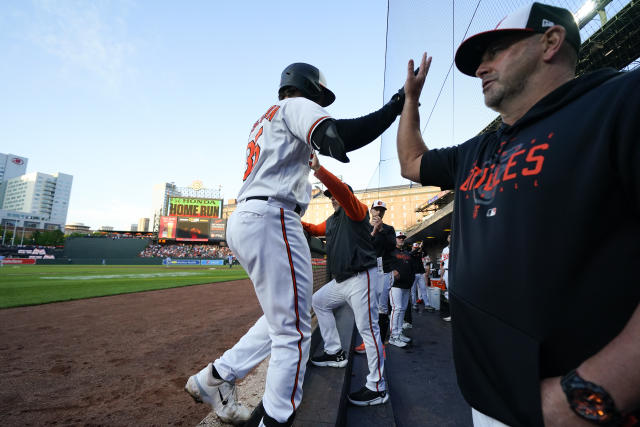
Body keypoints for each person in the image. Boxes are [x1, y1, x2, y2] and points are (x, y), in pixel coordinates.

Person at [396, 2, 639, 425]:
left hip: (580, 405)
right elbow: (411, 160)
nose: (480, 68)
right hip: (489, 399)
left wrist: (593, 394)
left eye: (496, 51)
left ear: (550, 41)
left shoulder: (618, 100)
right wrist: (411, 100)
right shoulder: (477, 149)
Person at [186, 62, 406, 426]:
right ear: (309, 89)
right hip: (273, 215)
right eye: (320, 97)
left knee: (282, 320)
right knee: (293, 332)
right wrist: (395, 106)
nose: (322, 103)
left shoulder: (265, 119)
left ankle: (216, 376)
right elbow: (338, 136)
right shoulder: (296, 106)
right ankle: (274, 420)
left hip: (248, 216)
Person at [302, 155, 388, 407]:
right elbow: (312, 228)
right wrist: (289, 218)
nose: (331, 199)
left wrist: (318, 170)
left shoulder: (356, 209)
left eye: (334, 195)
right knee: (319, 301)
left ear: (344, 195)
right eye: (329, 196)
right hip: (343, 281)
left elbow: (341, 192)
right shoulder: (331, 221)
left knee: (368, 330)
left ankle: (377, 386)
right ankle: (334, 351)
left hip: (362, 277)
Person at [354, 200, 396, 353]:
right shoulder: (364, 227)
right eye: (376, 209)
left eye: (381, 210)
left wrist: (381, 229)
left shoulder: (389, 229)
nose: (379, 212)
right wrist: (373, 230)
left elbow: (392, 245)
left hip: (383, 271)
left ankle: (380, 341)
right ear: (371, 211)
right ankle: (369, 341)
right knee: (366, 307)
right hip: (368, 271)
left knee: (382, 307)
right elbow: (362, 247)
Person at [387, 231, 414, 348]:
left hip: (406, 285)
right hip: (395, 285)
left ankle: (398, 333)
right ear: (395, 239)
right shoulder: (390, 251)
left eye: (402, 238)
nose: (401, 239)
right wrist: (391, 270)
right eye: (399, 237)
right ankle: (393, 336)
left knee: (402, 309)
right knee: (396, 308)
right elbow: (384, 263)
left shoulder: (407, 253)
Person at [410, 242, 430, 311]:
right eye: (415, 248)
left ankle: (427, 304)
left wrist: (421, 247)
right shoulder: (410, 254)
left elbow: (426, 253)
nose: (417, 249)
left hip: (421, 274)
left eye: (417, 248)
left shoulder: (420, 254)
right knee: (413, 290)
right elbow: (412, 253)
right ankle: (414, 304)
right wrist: (418, 248)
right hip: (413, 274)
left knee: (423, 289)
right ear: (412, 248)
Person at [440, 235, 451, 322]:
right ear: (447, 239)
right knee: (449, 293)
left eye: (452, 236)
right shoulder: (445, 249)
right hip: (447, 272)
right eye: (449, 237)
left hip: (456, 271)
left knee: (454, 293)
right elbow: (443, 264)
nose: (450, 238)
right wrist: (441, 276)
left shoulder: (458, 246)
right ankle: (452, 314)